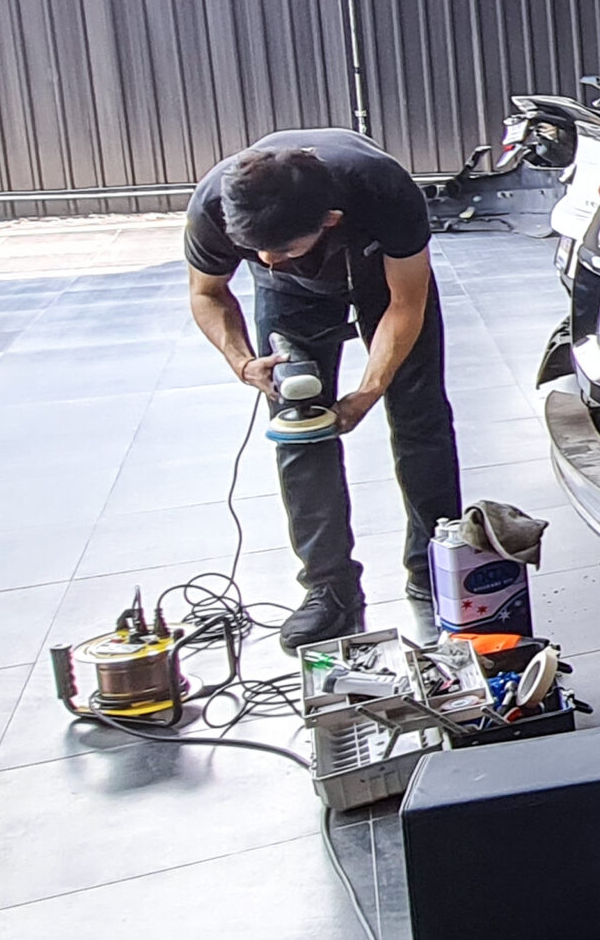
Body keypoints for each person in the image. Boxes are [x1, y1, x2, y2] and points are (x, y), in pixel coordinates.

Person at [185, 130, 462, 650]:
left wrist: (369, 389)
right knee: (299, 426)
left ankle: (436, 564)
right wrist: (242, 362)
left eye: (282, 248)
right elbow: (206, 293)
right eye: (255, 249)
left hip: (384, 277)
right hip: (292, 296)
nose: (266, 258)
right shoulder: (215, 206)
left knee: (418, 413)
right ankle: (328, 588)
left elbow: (406, 303)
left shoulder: (383, 191)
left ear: (329, 221)